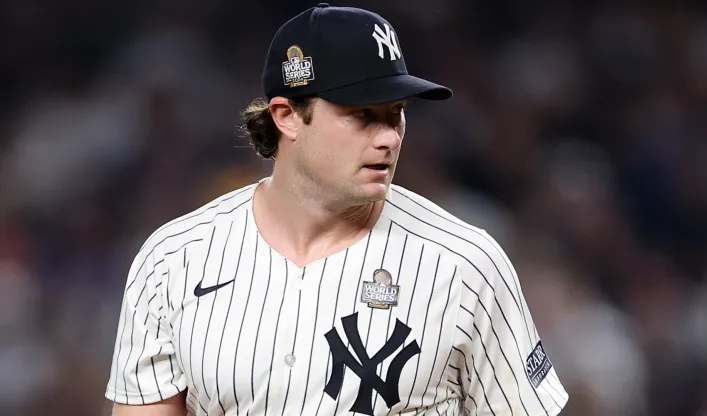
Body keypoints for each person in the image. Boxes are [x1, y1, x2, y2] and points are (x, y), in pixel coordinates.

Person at [105, 3, 569, 415]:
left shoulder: (465, 263)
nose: (389, 136)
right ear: (287, 116)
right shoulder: (173, 260)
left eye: (396, 112)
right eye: (363, 114)